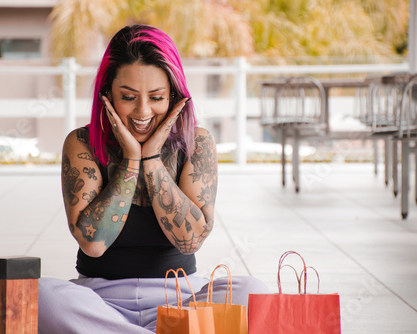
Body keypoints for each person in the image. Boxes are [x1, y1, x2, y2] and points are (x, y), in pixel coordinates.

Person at [38, 24, 268, 333]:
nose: (143, 111)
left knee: (253, 292)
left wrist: (152, 159)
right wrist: (132, 161)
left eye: (156, 97)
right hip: (99, 300)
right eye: (129, 97)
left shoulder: (197, 143)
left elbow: (190, 241)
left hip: (182, 299)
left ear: (174, 96)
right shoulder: (81, 143)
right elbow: (93, 244)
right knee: (42, 297)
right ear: (107, 95)